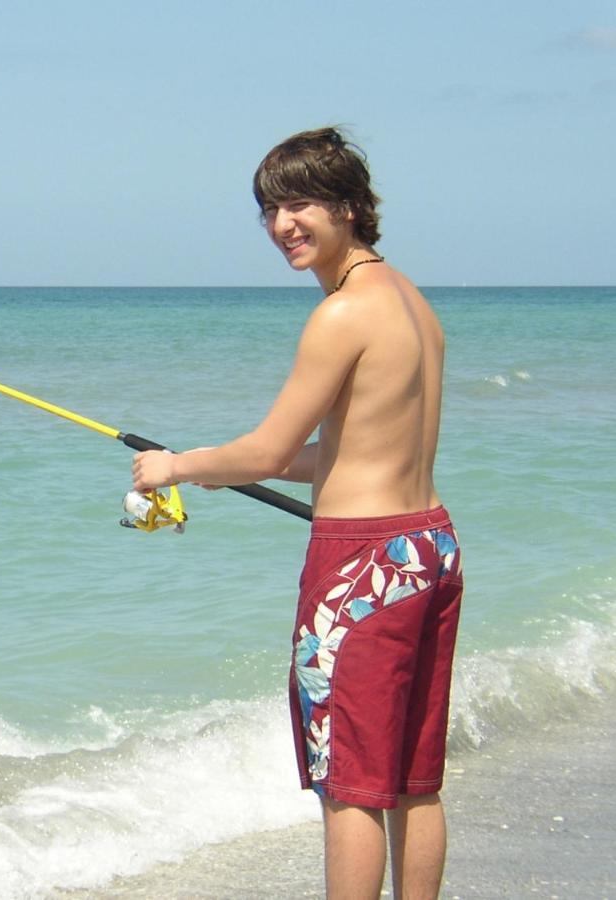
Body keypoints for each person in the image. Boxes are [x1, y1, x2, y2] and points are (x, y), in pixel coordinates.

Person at [131, 127, 463, 899]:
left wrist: (174, 466)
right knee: (413, 776)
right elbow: (345, 450)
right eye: (271, 209)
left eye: (301, 202)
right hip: (428, 548)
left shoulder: (342, 314)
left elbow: (270, 450)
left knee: (348, 782)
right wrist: (221, 468)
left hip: (361, 568)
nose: (283, 224)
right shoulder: (414, 304)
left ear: (350, 205)